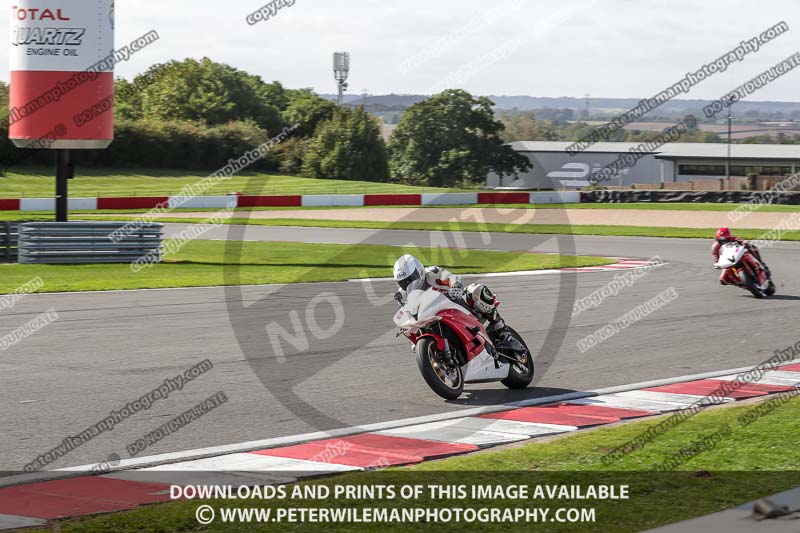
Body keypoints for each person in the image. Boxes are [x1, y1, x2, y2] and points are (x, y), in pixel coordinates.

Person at [392, 254, 511, 352]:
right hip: (432, 319)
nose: (408, 284)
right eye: (403, 282)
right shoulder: (403, 294)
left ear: (419, 271)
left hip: (457, 305)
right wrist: (416, 342)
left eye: (411, 278)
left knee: (477, 290)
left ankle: (501, 328)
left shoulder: (431, 273)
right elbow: (407, 316)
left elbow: (450, 277)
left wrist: (456, 285)